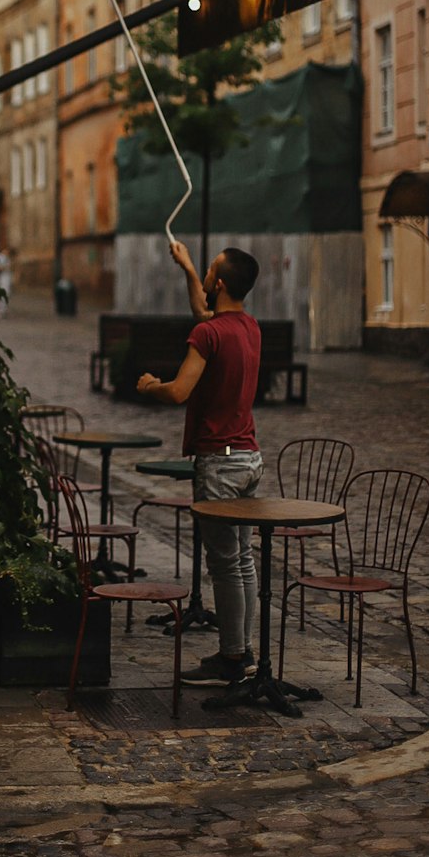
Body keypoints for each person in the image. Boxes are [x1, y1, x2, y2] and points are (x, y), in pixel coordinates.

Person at [136, 240, 263, 687]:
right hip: (248, 459)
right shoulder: (248, 327)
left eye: (210, 270)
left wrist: (152, 384)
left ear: (222, 283)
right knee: (242, 561)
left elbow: (179, 392)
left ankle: (232, 658)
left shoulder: (208, 334)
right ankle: (243, 653)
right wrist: (188, 267)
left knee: (225, 564)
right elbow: (204, 313)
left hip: (219, 464)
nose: (205, 276)